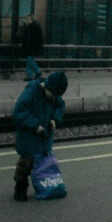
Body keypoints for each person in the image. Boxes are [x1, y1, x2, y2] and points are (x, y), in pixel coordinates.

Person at [12, 71, 67, 201]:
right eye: (52, 94)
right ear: (46, 86)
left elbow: (60, 106)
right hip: (29, 137)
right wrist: (35, 125)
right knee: (25, 164)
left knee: (43, 164)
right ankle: (20, 187)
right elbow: (19, 112)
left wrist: (54, 119)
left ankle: (44, 186)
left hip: (44, 136)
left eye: (56, 95)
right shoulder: (31, 92)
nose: (54, 98)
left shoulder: (54, 94)